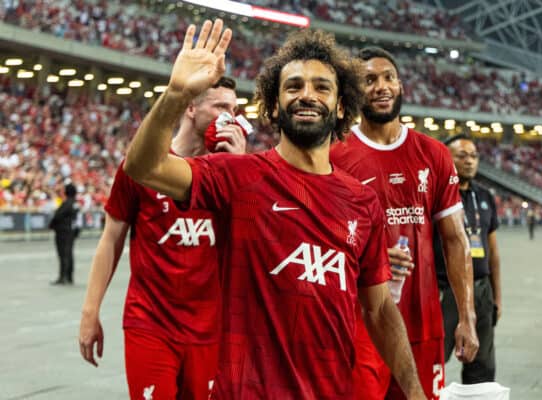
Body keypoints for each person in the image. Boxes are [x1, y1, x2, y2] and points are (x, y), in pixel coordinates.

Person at [123, 19, 426, 400]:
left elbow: (380, 310)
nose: (307, 95)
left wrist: (415, 391)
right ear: (273, 104)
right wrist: (176, 94)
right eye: (293, 86)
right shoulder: (238, 176)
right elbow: (143, 167)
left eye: (322, 86)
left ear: (342, 104)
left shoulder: (362, 202)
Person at [78, 76, 246, 400]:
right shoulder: (143, 166)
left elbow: (250, 245)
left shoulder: (236, 172)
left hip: (210, 330)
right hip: (151, 324)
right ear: (191, 108)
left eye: (235, 110)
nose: (231, 118)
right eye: (221, 107)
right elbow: (111, 239)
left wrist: (238, 171)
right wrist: (90, 311)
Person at [330, 47, 478, 400]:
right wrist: (372, 256)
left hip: (424, 321)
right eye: (369, 80)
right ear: (353, 91)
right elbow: (321, 241)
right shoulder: (336, 154)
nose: (381, 86)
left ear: (400, 86)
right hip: (362, 324)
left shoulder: (434, 154)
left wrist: (467, 316)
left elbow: (456, 240)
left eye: (389, 78)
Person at [434, 134, 501, 384]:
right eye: (462, 156)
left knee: (482, 365)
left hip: (482, 289)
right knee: (433, 361)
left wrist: (497, 298)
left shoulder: (484, 197)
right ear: (446, 158)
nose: (469, 161)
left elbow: (493, 253)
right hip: (445, 290)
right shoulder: (435, 194)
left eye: (474, 156)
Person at [49, 182, 79, 285]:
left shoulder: (67, 203)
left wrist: (51, 225)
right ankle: (69, 276)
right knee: (69, 254)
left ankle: (63, 277)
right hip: (71, 232)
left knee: (63, 255)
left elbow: (57, 216)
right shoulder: (75, 203)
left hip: (63, 232)